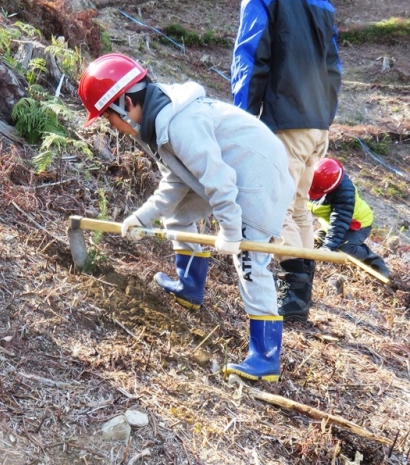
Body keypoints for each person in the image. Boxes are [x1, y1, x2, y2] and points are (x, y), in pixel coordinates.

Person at [78, 53, 295, 382]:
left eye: (110, 118)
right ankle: (190, 286)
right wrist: (144, 216)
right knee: (179, 214)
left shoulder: (179, 123)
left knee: (250, 260)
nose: (114, 127)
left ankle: (265, 357)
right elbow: (177, 181)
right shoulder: (158, 122)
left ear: (124, 103)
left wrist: (232, 231)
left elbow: (218, 179)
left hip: (257, 178)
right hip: (234, 173)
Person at [230, 0, 342, 323]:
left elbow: (251, 59)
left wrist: (242, 120)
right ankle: (300, 297)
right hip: (316, 125)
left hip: (285, 120)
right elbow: (334, 68)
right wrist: (324, 118)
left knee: (275, 207)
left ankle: (293, 295)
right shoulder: (322, 3)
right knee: (298, 205)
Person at [308, 157, 391, 278]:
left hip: (358, 225)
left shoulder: (345, 192)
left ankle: (373, 261)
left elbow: (339, 221)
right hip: (330, 224)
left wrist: (328, 248)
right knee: (318, 237)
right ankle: (331, 240)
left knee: (344, 247)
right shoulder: (311, 178)